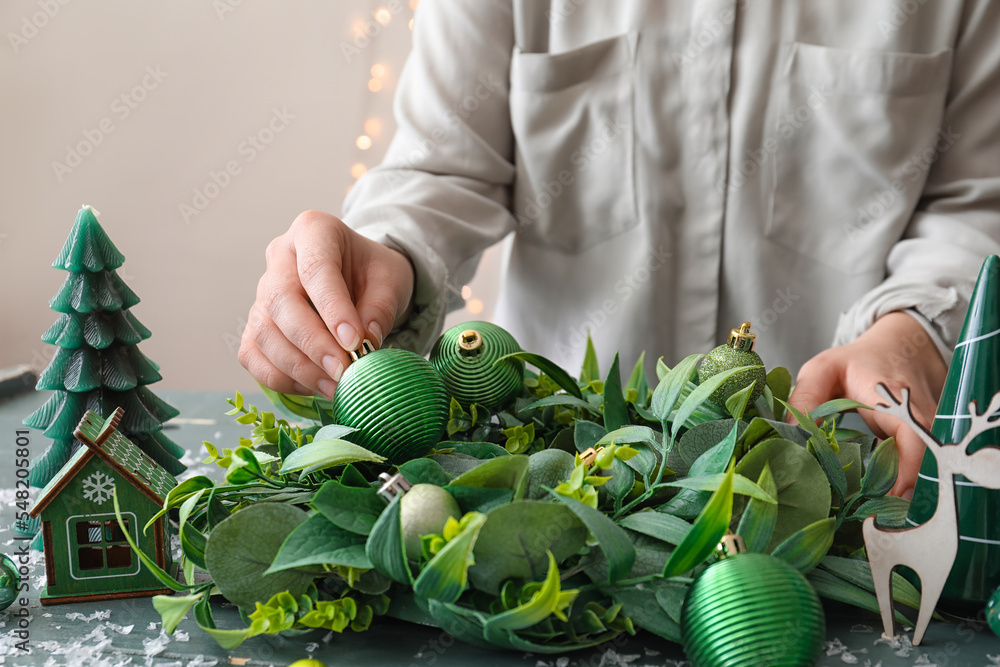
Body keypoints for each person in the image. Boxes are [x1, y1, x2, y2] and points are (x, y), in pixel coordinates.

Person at [239, 1, 1000, 499]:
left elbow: (978, 198)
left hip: (847, 490)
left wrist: (914, 330)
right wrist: (388, 255)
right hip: (546, 498)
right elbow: (445, 164)